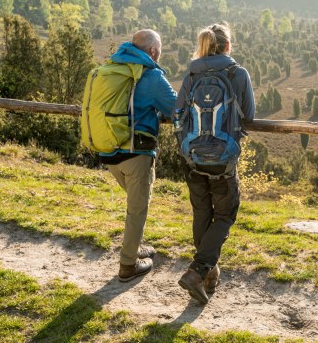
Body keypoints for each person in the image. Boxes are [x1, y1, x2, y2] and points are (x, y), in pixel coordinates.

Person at [175, 22, 255, 303]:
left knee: (201, 214)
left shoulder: (192, 74)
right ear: (228, 46)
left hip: (193, 158)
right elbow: (250, 114)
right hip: (222, 160)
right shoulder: (237, 73)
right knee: (224, 215)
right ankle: (197, 272)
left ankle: (208, 275)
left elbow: (178, 112)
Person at [100, 29, 177, 282]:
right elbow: (176, 107)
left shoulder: (115, 68)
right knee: (137, 210)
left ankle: (135, 247)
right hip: (136, 151)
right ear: (154, 51)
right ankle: (128, 265)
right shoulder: (152, 75)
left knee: (135, 206)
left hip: (109, 150)